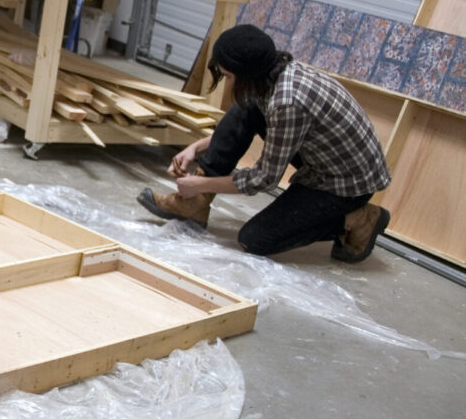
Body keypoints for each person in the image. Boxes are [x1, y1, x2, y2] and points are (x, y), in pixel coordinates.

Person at [137, 24, 392, 263]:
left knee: (255, 239)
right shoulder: (271, 76)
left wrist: (199, 183)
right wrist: (196, 148)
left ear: (246, 75)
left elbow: (264, 178)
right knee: (245, 107)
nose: (226, 82)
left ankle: (359, 218)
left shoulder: (286, 103)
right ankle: (195, 204)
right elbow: (247, 122)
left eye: (228, 76)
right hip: (327, 156)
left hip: (346, 184)